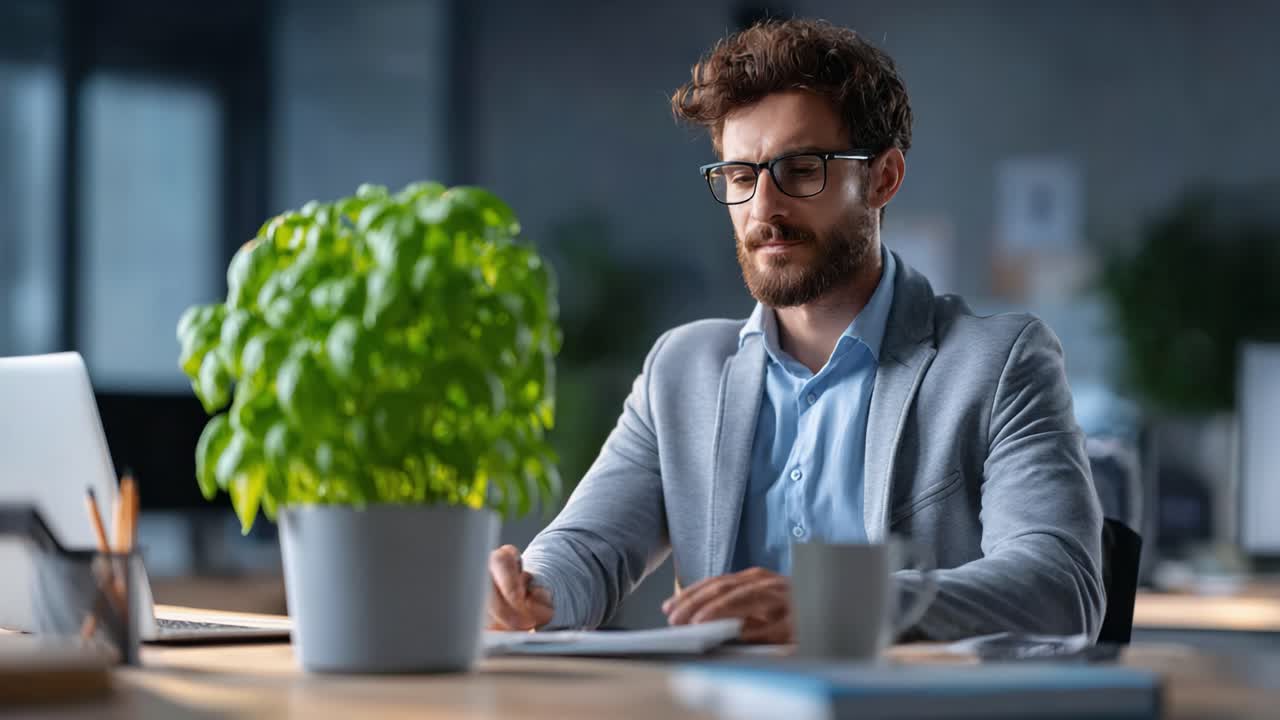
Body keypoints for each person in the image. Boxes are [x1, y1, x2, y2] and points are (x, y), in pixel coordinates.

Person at [487, 18, 1104, 643]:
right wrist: (531, 590)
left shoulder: (997, 363)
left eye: (802, 169)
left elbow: (1060, 587)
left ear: (884, 178)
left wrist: (837, 605)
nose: (763, 208)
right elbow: (587, 549)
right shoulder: (681, 371)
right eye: (740, 175)